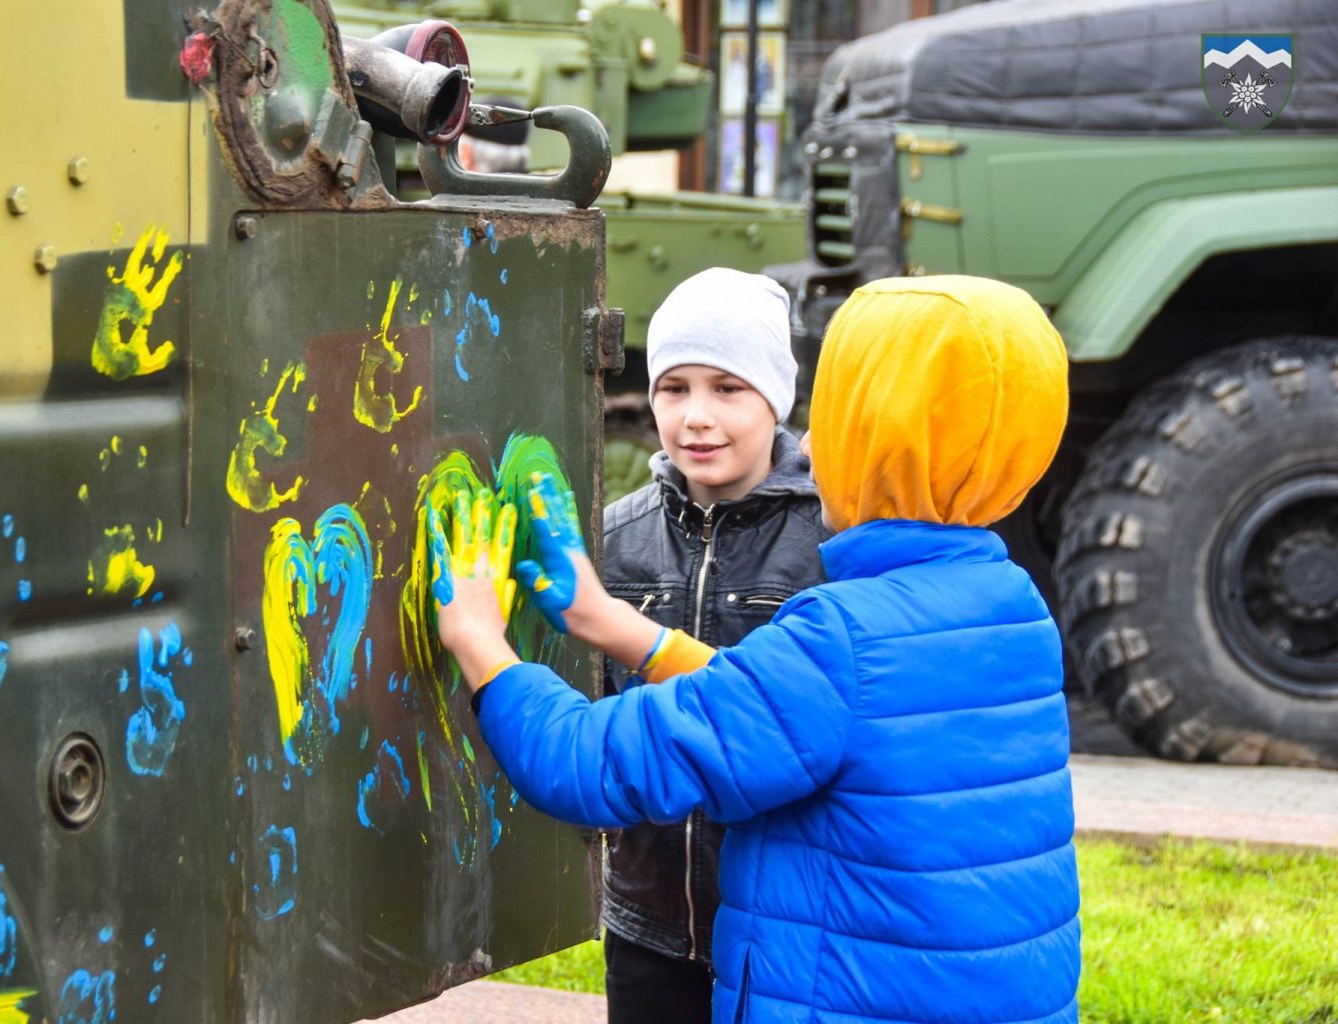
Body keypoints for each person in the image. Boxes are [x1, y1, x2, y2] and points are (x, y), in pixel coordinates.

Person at [432, 273, 1083, 1023]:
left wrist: (480, 643)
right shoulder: (1008, 605)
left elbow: (590, 762)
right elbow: (798, 718)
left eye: (833, 420)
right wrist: (617, 627)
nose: (807, 442)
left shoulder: (842, 639)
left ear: (881, 443)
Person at [597, 268, 831, 1022]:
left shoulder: (830, 541)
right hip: (647, 920)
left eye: (728, 388)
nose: (697, 417)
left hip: (783, 927)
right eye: (675, 388)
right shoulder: (614, 539)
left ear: (776, 398)